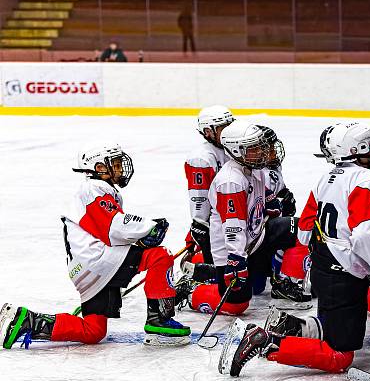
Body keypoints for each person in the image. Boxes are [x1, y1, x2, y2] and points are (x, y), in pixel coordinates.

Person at [225, 122, 370, 375]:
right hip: (345, 272)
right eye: (369, 142)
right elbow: (365, 236)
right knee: (340, 356)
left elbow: (305, 229)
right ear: (358, 147)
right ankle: (265, 340)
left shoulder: (327, 177)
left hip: (324, 266)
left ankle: (289, 326)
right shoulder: (367, 179)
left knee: (332, 329)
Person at [1, 144, 190, 349]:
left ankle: (25, 321)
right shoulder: (94, 189)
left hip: (87, 269)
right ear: (99, 168)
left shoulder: (95, 191)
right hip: (100, 260)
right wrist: (149, 227)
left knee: (93, 331)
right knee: (160, 256)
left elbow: (107, 231)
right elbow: (114, 226)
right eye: (115, 165)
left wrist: (139, 237)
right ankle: (159, 322)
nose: (119, 170)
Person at [185, 121, 300, 316]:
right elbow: (233, 226)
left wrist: (272, 202)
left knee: (300, 229)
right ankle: (192, 289)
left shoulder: (253, 168)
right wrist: (236, 259)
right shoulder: (231, 181)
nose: (262, 151)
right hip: (236, 250)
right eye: (255, 148)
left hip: (256, 238)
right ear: (236, 151)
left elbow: (263, 193)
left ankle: (284, 281)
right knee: (237, 306)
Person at [183, 105, 235, 267]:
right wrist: (201, 225)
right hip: (216, 224)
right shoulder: (201, 158)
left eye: (230, 126)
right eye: (223, 128)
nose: (228, 132)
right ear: (208, 132)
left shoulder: (231, 147)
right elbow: (199, 198)